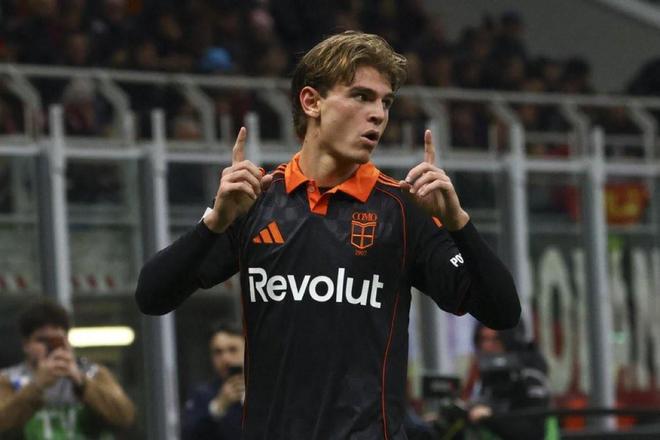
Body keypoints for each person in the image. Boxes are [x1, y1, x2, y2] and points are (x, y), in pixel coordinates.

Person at [136, 31, 521, 439]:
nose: (378, 114)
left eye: (385, 102)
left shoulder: (403, 209)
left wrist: (458, 223)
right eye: (361, 97)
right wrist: (214, 222)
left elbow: (502, 312)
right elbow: (152, 296)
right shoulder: (256, 202)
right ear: (311, 102)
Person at [0, 299, 135, 439]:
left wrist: (82, 384)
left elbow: (125, 416)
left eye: (57, 341)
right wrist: (36, 387)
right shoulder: (9, 380)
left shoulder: (93, 373)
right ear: (26, 345)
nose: (50, 348)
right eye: (42, 340)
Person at [462, 323, 551, 439]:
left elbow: (533, 431)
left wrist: (491, 417)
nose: (487, 346)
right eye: (482, 339)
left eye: (495, 339)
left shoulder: (529, 372)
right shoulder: (487, 371)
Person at [182, 323, 244, 440]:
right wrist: (218, 407)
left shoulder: (266, 390)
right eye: (218, 352)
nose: (225, 359)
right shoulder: (202, 395)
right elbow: (189, 434)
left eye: (233, 350)